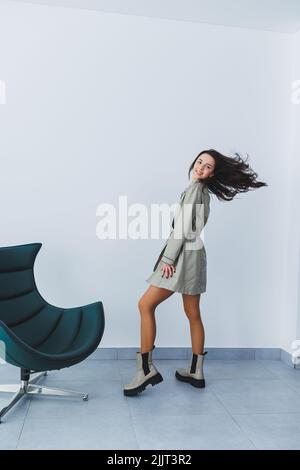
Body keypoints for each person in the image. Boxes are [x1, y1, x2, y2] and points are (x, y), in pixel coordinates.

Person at [123, 149, 267, 396]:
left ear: (213, 173)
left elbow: (181, 229)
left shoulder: (194, 191)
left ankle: (145, 369)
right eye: (200, 162)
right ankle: (196, 371)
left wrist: (168, 258)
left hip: (181, 256)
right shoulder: (203, 192)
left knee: (145, 305)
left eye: (208, 166)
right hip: (196, 254)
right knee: (193, 313)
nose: (201, 167)